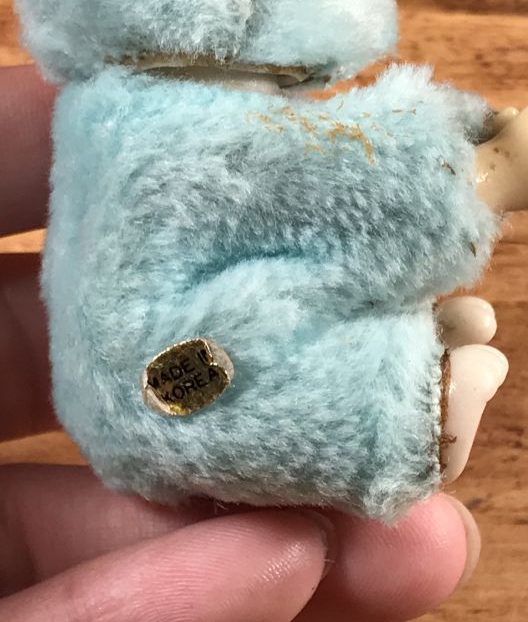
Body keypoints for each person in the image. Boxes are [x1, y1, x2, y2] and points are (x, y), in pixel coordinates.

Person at [0, 63, 481, 621]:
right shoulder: (169, 117)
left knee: (283, 285)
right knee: (280, 311)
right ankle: (419, 411)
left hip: (129, 392)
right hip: (177, 386)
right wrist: (470, 174)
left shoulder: (110, 112)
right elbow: (317, 186)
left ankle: (409, 358)